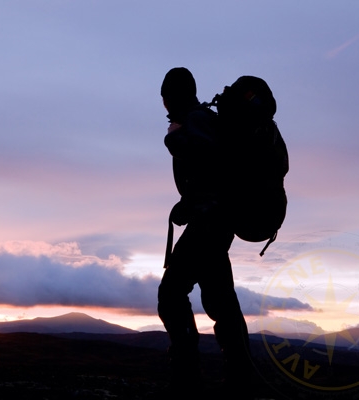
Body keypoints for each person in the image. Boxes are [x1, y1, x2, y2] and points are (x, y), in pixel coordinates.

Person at [157, 67, 256, 395]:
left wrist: (174, 135)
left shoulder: (196, 120)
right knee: (221, 301)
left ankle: (186, 378)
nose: (164, 107)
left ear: (173, 96)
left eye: (166, 99)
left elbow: (202, 153)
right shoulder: (207, 119)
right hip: (216, 223)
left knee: (171, 295)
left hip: (209, 224)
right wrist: (187, 204)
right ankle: (241, 379)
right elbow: (210, 174)